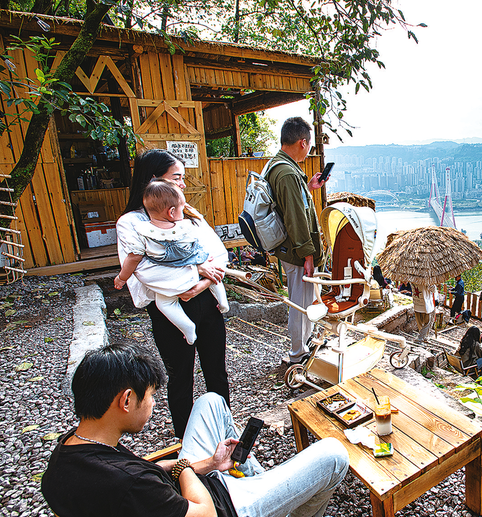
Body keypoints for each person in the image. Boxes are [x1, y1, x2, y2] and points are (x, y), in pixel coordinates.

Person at [42, 344, 349, 517]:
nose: (152, 404)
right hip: (223, 506)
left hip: (195, 486)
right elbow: (205, 513)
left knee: (211, 402)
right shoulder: (132, 484)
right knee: (334, 454)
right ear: (126, 400)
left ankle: (260, 480)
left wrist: (210, 464)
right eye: (149, 396)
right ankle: (275, 497)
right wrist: (187, 467)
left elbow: (147, 472)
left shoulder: (69, 452)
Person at [117, 148, 229, 439]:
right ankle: (188, 441)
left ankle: (224, 429)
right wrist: (198, 271)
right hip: (170, 310)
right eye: (176, 178)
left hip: (207, 301)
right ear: (155, 180)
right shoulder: (132, 223)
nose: (182, 184)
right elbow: (148, 274)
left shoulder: (187, 213)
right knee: (181, 379)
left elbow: (219, 255)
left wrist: (204, 282)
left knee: (217, 371)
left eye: (182, 178)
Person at [115, 179, 229, 345]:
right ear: (171, 212)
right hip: (197, 267)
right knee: (212, 269)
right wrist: (198, 265)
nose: (182, 183)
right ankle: (223, 302)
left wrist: (121, 278)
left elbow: (133, 257)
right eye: (177, 178)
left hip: (171, 283)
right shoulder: (186, 225)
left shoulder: (141, 231)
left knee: (165, 303)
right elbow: (202, 245)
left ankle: (187, 328)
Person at [268, 117, 328, 364]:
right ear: (303, 142)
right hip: (297, 252)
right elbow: (295, 216)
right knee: (301, 306)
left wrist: (309, 186)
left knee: (303, 301)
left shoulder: (280, 166)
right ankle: (297, 354)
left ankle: (304, 346)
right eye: (310, 146)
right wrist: (308, 255)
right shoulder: (287, 174)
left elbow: (292, 203)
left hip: (292, 249)